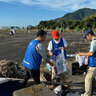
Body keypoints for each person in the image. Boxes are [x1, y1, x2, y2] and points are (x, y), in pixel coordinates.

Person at [79, 29, 96, 96]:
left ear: (89, 34)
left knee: (88, 79)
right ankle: (94, 90)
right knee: (94, 79)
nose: (86, 38)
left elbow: (91, 53)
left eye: (86, 36)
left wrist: (82, 54)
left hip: (94, 64)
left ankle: (87, 94)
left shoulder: (94, 42)